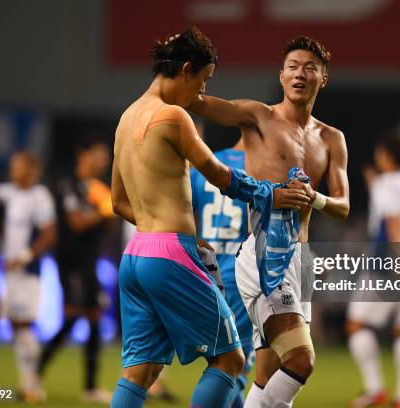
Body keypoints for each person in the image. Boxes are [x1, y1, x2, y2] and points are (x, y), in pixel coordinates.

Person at [109, 26, 296, 408]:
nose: (201, 94)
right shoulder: (174, 117)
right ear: (186, 69)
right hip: (169, 257)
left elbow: (117, 202)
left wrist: (160, 232)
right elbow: (220, 175)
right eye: (202, 82)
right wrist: (270, 193)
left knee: (139, 372)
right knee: (230, 358)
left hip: (135, 256)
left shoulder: (126, 119)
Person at [188, 35, 350, 407]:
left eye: (310, 68)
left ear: (323, 77)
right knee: (301, 360)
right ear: (281, 76)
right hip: (264, 258)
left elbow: (343, 207)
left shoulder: (332, 138)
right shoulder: (257, 116)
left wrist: (315, 197)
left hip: (301, 261)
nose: (300, 74)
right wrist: (181, 69)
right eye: (292, 66)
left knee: (267, 376)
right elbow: (195, 100)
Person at [346, 134, 400, 408]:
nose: (378, 157)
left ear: (387, 156)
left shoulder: (384, 184)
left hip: (387, 261)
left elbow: (391, 222)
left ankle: (375, 388)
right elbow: (396, 210)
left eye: (380, 153)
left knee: (356, 324)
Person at [37, 139, 113, 403]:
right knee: (72, 317)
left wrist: (107, 213)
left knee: (93, 315)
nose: (103, 160)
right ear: (83, 154)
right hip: (71, 263)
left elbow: (106, 227)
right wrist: (104, 211)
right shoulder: (68, 186)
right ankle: (33, 373)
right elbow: (77, 223)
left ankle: (90, 387)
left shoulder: (98, 189)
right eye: (99, 154)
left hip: (90, 262)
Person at [0, 152, 57, 403]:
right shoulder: (11, 193)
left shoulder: (40, 197)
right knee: (16, 324)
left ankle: (33, 383)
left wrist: (24, 257)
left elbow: (49, 234)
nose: (13, 170)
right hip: (11, 273)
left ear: (31, 169)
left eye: (18, 166)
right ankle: (28, 382)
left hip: (28, 271)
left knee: (24, 325)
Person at [190, 136, 253, 407]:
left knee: (224, 358)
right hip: (243, 272)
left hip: (206, 272)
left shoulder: (206, 162)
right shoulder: (264, 165)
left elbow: (186, 214)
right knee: (234, 364)